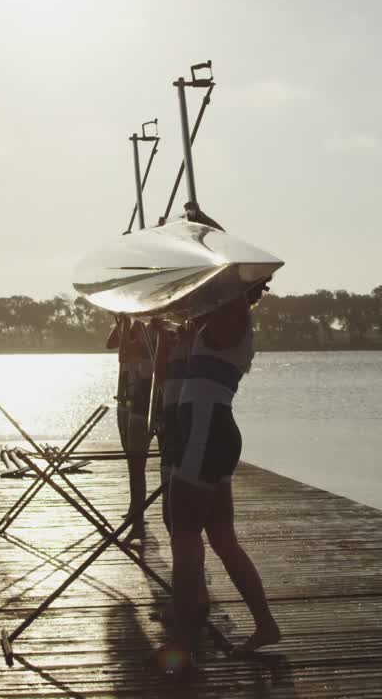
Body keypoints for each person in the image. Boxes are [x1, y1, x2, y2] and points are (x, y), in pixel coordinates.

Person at [156, 278, 281, 672]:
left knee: (184, 533)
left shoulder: (234, 315)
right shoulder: (218, 320)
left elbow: (225, 275)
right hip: (211, 433)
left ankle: (182, 641)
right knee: (222, 538)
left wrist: (204, 225)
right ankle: (265, 625)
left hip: (205, 434)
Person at [107, 315, 154, 538]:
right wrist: (122, 321)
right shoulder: (130, 329)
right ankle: (135, 509)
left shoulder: (147, 336)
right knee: (131, 461)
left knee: (137, 463)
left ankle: (138, 517)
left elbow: (123, 353)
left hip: (140, 406)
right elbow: (110, 343)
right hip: (125, 401)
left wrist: (127, 325)